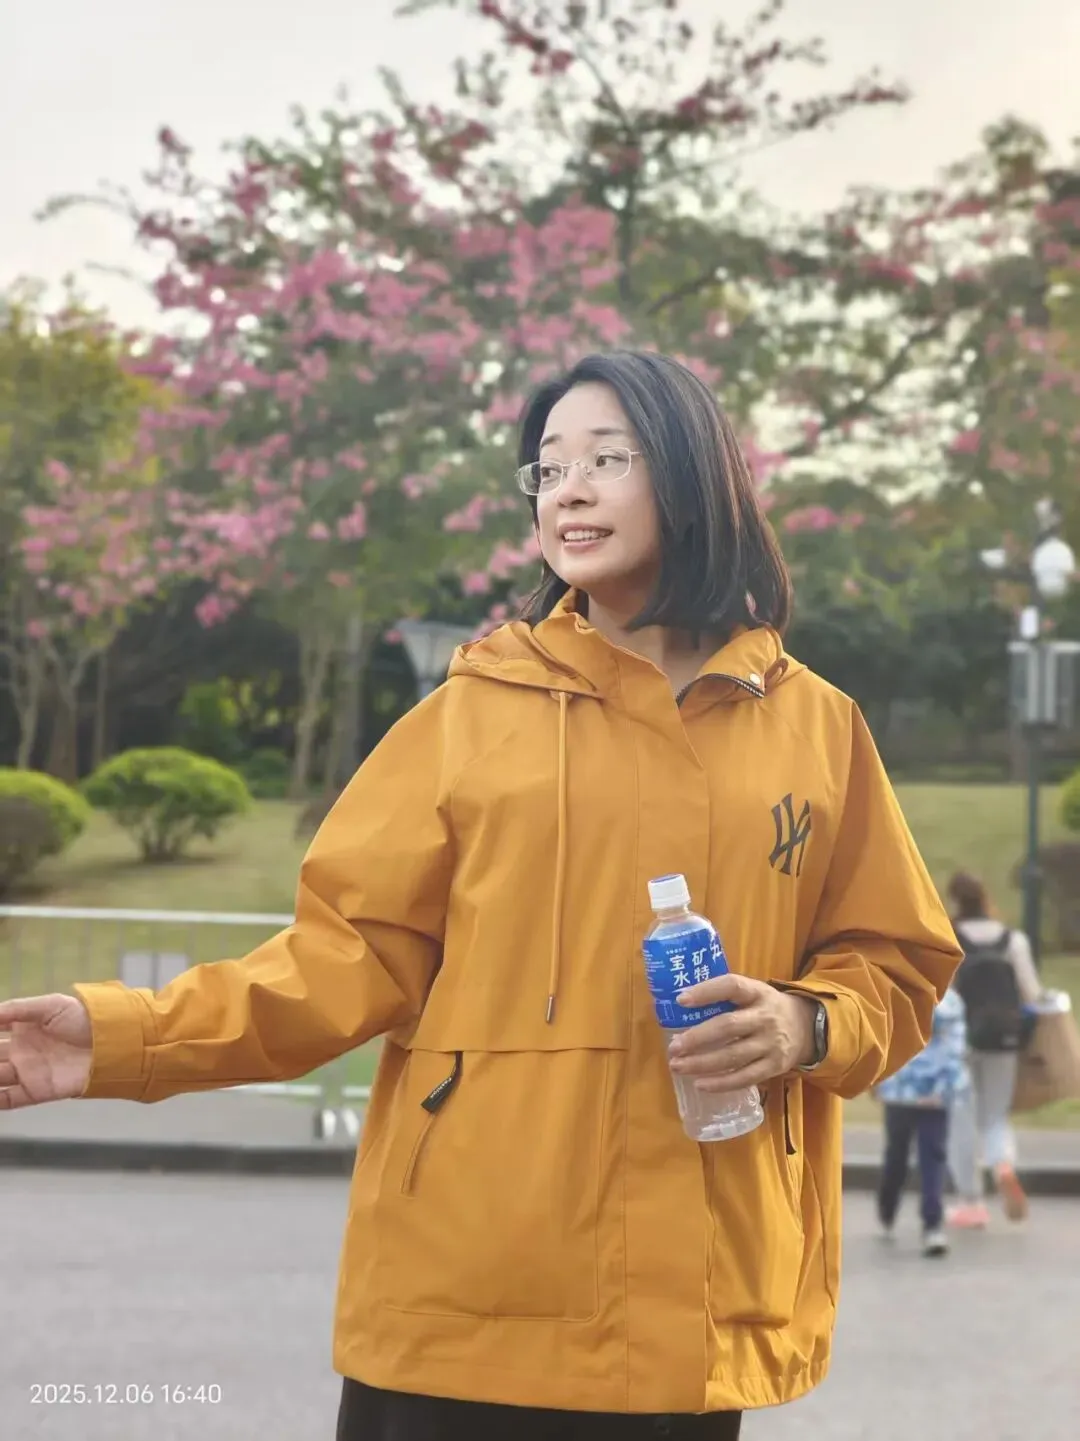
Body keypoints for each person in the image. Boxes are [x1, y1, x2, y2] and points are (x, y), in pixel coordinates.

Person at [0, 351, 964, 1441]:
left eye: (608, 460)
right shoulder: (466, 718)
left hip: (702, 1310)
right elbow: (338, 962)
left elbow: (896, 960)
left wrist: (804, 1022)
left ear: (696, 478)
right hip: (464, 1304)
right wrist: (120, 1037)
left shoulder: (819, 727)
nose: (569, 491)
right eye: (548, 469)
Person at [945, 870, 1043, 1229]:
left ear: (954, 900)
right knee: (995, 1114)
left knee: (961, 1118)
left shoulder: (950, 939)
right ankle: (1002, 1164)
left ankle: (971, 1202)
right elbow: (1032, 993)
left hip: (962, 1040)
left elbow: (942, 996)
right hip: (1005, 1039)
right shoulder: (1013, 940)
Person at [875, 986, 970, 1257]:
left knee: (901, 1155)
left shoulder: (896, 990)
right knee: (929, 1158)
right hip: (929, 1094)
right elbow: (956, 1049)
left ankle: (893, 1212)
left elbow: (883, 1037)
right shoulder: (951, 1001)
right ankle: (929, 1225)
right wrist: (947, 1087)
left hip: (902, 1090)